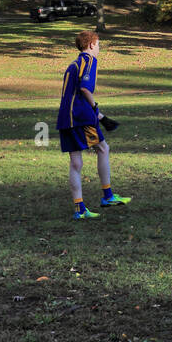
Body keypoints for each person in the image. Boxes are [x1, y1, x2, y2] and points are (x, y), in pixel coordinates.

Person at [57, 31, 130, 220]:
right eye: (98, 44)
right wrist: (96, 108)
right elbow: (84, 89)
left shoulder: (72, 65)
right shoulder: (89, 61)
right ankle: (107, 196)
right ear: (91, 45)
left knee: (76, 163)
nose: (99, 48)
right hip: (80, 117)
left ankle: (79, 209)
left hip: (65, 118)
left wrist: (99, 115)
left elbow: (73, 94)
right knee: (103, 148)